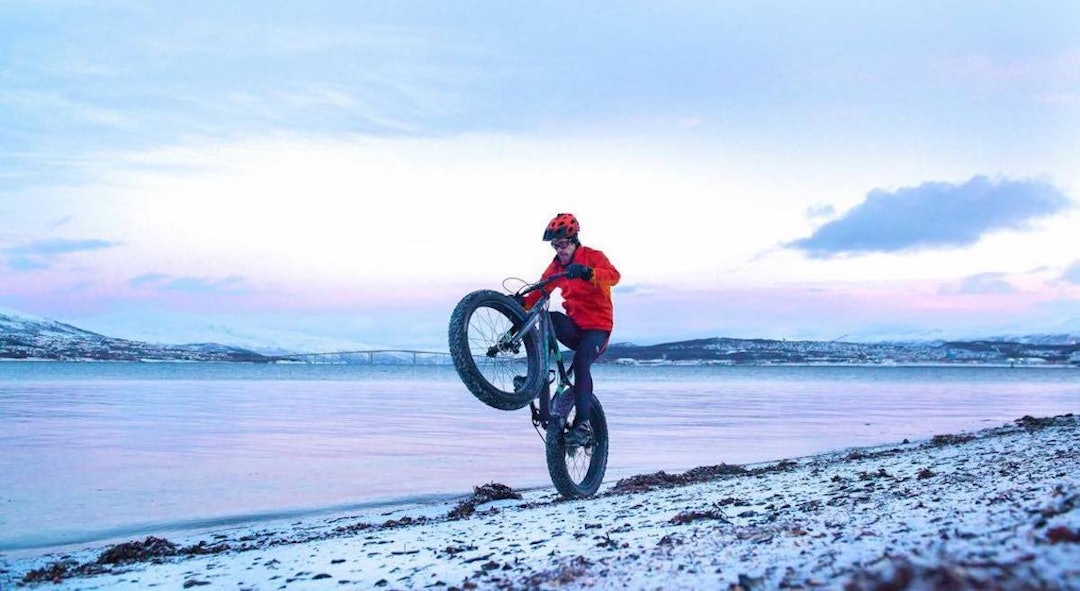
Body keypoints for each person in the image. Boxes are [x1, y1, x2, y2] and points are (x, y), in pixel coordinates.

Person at [521, 213, 620, 446]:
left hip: (598, 330)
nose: (559, 250)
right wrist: (520, 303)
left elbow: (614, 276)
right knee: (547, 318)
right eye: (555, 246)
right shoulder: (557, 267)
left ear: (574, 239)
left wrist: (588, 273)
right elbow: (540, 289)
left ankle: (584, 425)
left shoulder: (593, 257)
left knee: (582, 360)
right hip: (575, 328)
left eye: (563, 244)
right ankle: (537, 376)